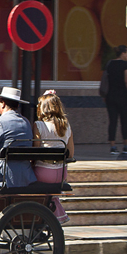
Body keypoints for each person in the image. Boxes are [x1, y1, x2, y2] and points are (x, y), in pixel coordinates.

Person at [32, 90, 72, 224]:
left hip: (44, 172)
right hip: (61, 173)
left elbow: (35, 152)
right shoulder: (66, 126)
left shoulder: (39, 126)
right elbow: (70, 153)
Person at [105, 45, 127, 155]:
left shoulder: (110, 64)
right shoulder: (125, 65)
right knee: (124, 121)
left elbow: (106, 79)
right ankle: (126, 145)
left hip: (110, 96)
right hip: (122, 96)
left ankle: (113, 146)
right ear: (123, 54)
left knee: (112, 121)